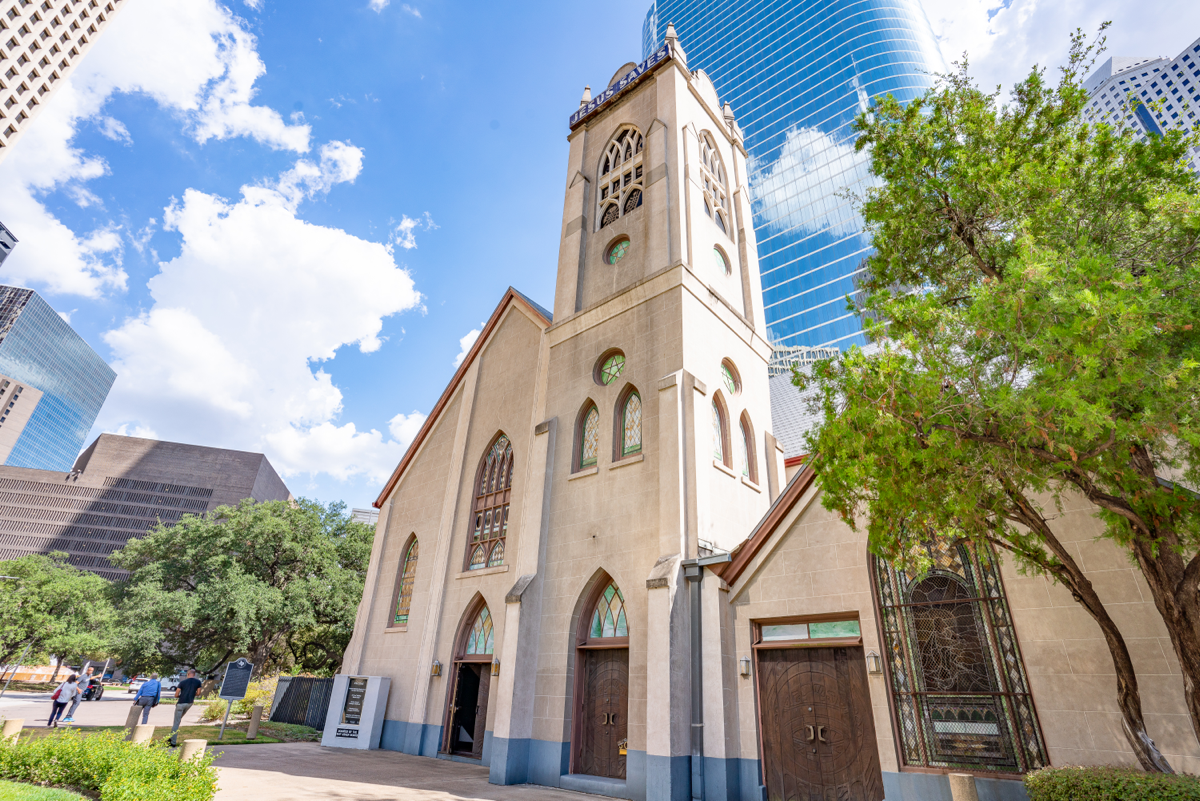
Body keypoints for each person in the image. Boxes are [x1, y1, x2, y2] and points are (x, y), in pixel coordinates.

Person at [169, 669, 203, 747]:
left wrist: (181, 695)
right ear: (194, 674)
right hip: (189, 703)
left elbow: (176, 694)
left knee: (176, 722)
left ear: (187, 674)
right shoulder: (198, 682)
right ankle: (171, 738)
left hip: (181, 703)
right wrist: (192, 694)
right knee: (178, 720)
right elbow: (198, 693)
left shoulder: (182, 682)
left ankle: (172, 742)